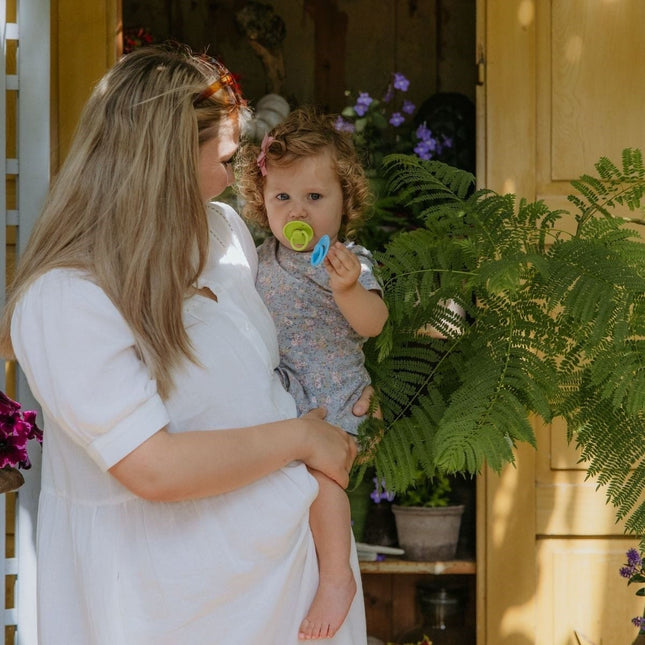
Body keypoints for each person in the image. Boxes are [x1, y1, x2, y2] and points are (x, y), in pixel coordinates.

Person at [0, 46, 372, 644]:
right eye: (223, 158)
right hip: (174, 602)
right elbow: (152, 468)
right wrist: (304, 437)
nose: (232, 178)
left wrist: (338, 391)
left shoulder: (222, 233)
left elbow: (260, 375)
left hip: (288, 573)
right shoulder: (66, 296)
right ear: (165, 159)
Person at [235, 107, 389, 640]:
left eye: (315, 198)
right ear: (262, 203)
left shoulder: (349, 262)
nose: (298, 209)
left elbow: (373, 324)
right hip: (282, 398)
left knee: (324, 483)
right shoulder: (259, 258)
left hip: (332, 395)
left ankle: (337, 577)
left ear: (345, 203)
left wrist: (348, 290)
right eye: (283, 198)